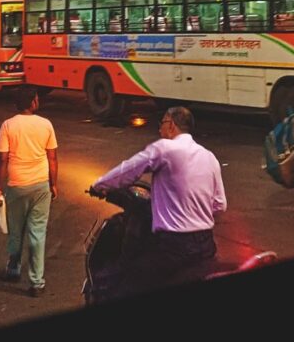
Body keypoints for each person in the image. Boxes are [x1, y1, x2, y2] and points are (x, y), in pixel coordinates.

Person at [90, 105, 227, 297]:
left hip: (174, 248)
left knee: (125, 286)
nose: (159, 129)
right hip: (206, 245)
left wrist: (99, 185)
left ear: (171, 125)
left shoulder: (165, 148)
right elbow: (219, 204)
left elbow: (129, 170)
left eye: (161, 123)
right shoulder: (209, 156)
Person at [0, 85, 58, 296]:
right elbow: (52, 158)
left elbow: (2, 159)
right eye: (37, 99)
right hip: (41, 185)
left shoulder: (8, 125)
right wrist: (54, 184)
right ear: (32, 102)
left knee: (16, 230)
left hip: (17, 186)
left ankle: (13, 270)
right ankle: (36, 282)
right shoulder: (46, 124)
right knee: (37, 233)